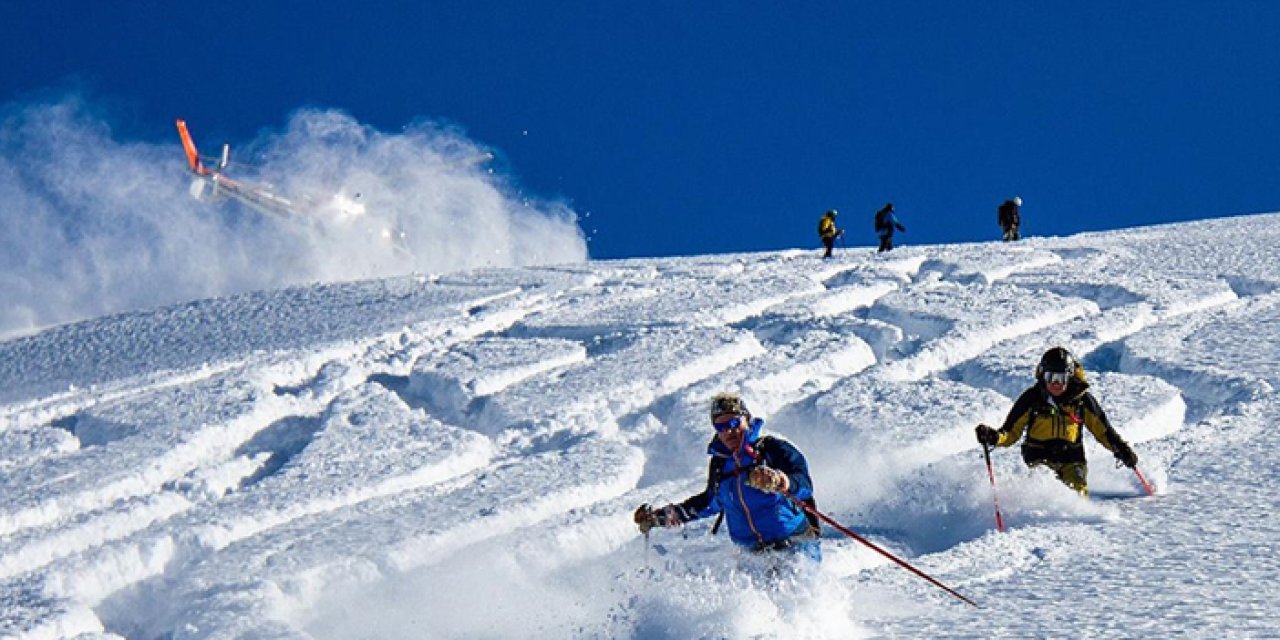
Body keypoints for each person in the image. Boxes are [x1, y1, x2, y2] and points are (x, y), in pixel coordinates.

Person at [634, 393, 820, 560]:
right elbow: (710, 502)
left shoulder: (772, 449)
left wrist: (781, 481)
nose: (727, 432)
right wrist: (660, 517)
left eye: (733, 424)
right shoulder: (720, 464)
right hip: (753, 557)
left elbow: (804, 485)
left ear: (746, 420)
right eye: (720, 427)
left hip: (796, 547)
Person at [975, 347, 1139, 495]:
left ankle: (1077, 524)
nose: (1055, 383)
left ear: (1069, 377)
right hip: (1039, 459)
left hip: (1071, 459)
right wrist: (992, 437)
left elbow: (1103, 431)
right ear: (1042, 375)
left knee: (1077, 493)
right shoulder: (1032, 398)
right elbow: (1010, 433)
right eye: (1050, 377)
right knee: (1043, 494)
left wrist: (1121, 449)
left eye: (1061, 378)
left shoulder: (1082, 401)